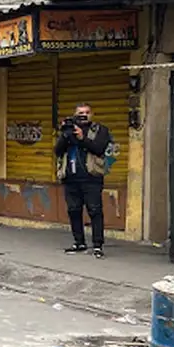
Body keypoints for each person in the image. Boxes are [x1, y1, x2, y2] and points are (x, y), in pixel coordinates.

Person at [53, 102, 112, 259]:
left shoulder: (100, 130)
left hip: (91, 178)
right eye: (80, 113)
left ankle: (98, 245)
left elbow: (99, 148)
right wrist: (65, 135)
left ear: (91, 114)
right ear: (75, 115)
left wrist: (82, 137)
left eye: (86, 112)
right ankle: (79, 242)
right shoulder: (68, 130)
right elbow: (57, 151)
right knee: (74, 210)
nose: (83, 115)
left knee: (94, 211)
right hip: (71, 178)